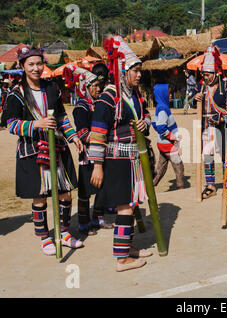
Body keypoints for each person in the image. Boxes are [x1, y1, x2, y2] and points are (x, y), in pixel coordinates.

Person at [2, 46, 84, 255]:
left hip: (57, 147)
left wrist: (72, 136)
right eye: (31, 64)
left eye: (39, 63)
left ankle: (64, 231)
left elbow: (62, 117)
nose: (36, 68)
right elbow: (9, 123)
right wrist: (36, 125)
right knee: (39, 196)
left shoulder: (52, 88)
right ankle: (45, 236)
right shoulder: (16, 94)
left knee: (65, 193)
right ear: (22, 66)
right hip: (33, 150)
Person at [89, 36, 153, 272]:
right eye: (135, 71)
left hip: (132, 159)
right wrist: (97, 164)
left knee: (132, 204)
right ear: (122, 70)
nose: (139, 75)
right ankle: (122, 259)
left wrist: (146, 122)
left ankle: (128, 247)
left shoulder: (134, 95)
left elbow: (146, 114)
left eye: (140, 71)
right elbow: (97, 133)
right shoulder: (109, 97)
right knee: (125, 207)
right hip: (116, 160)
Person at [68, 65, 114, 236]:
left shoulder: (99, 104)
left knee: (102, 188)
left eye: (98, 85)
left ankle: (97, 218)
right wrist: (100, 139)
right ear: (84, 88)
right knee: (86, 191)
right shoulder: (81, 107)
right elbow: (82, 132)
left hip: (101, 152)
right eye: (93, 86)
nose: (97, 88)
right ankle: (83, 223)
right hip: (88, 155)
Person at [193, 46, 227, 200]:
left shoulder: (226, 87)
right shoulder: (200, 86)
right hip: (206, 127)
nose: (206, 77)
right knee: (207, 155)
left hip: (222, 126)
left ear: (216, 73)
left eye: (208, 74)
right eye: (204, 74)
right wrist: (195, 98)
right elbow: (193, 100)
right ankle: (210, 185)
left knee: (226, 156)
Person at [151, 82, 185, 189]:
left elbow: (154, 123)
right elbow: (161, 127)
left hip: (162, 144)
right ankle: (181, 188)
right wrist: (171, 137)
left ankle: (151, 185)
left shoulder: (160, 106)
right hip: (168, 145)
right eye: (169, 93)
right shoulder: (163, 109)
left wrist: (162, 135)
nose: (171, 96)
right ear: (163, 94)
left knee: (161, 168)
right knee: (179, 166)